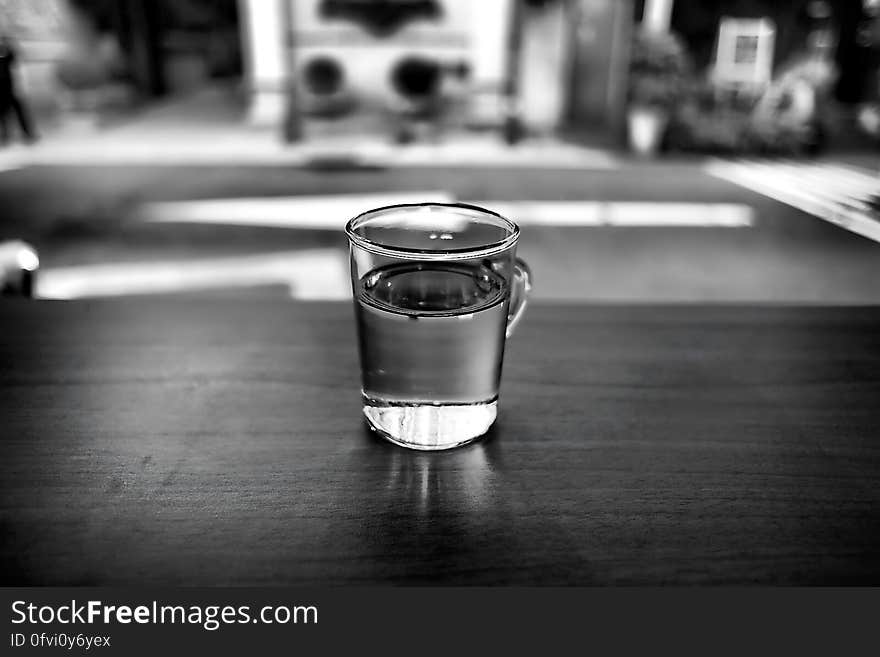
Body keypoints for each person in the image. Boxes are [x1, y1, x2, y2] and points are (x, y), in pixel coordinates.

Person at [0, 34, 37, 146]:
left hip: (12, 87)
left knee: (19, 110)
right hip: (3, 88)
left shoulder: (11, 55)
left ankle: (28, 134)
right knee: (3, 112)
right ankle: (6, 135)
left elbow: (17, 69)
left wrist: (20, 86)